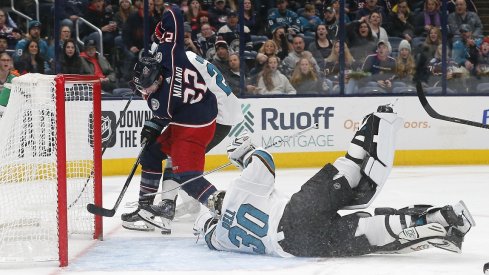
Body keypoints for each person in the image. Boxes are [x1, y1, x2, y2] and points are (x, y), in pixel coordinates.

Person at [194, 105, 475, 257]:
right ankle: (372, 127)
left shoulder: (221, 238)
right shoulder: (237, 193)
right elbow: (264, 161)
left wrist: (204, 223)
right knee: (347, 169)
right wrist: (243, 153)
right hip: (295, 214)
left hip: (296, 247)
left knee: (368, 231)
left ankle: (439, 219)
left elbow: (205, 232)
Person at [121, 4, 242, 233]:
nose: (146, 93)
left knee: (183, 168)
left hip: (215, 117)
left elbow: (162, 112)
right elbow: (175, 14)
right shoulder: (176, 56)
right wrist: (160, 31)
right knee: (158, 153)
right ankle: (154, 208)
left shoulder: (162, 100)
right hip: (200, 108)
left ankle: (216, 206)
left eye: (148, 88)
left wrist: (152, 125)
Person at [0, 52, 19, 117]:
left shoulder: (16, 79)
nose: (6, 62)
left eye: (8, 60)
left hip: (8, 114)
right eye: (3, 60)